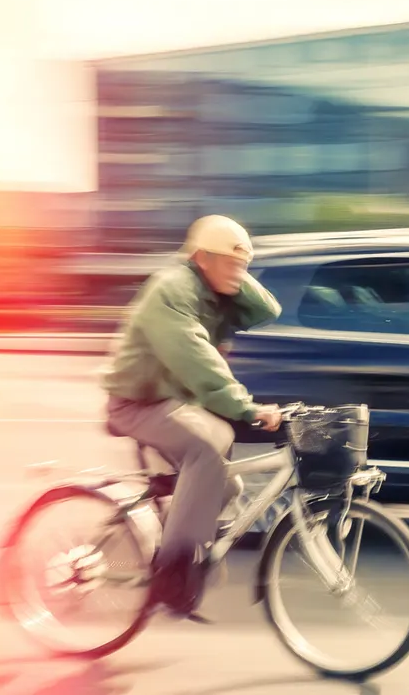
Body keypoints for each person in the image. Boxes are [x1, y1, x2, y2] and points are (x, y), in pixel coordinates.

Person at [100, 215, 283, 617]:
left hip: (172, 402)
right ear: (201, 258)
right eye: (231, 265)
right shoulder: (172, 289)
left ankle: (184, 540)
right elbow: (195, 357)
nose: (240, 274)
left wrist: (233, 266)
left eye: (245, 268)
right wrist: (246, 406)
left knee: (227, 484)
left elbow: (267, 309)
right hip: (138, 402)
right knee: (205, 448)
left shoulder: (212, 290)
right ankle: (171, 571)